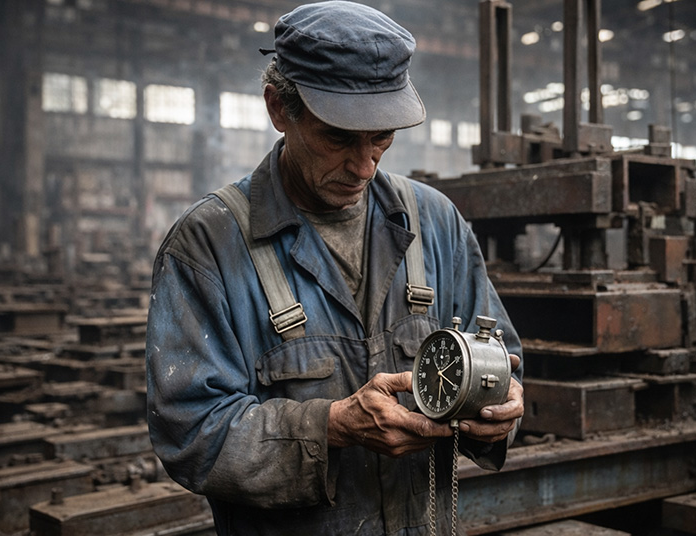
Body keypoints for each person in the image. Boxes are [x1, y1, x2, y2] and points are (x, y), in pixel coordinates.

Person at [145, 2, 523, 534]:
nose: (365, 164)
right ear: (279, 108)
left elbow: (503, 363)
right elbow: (190, 433)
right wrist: (329, 426)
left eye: (382, 137)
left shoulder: (436, 224)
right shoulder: (208, 246)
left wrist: (500, 406)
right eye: (340, 137)